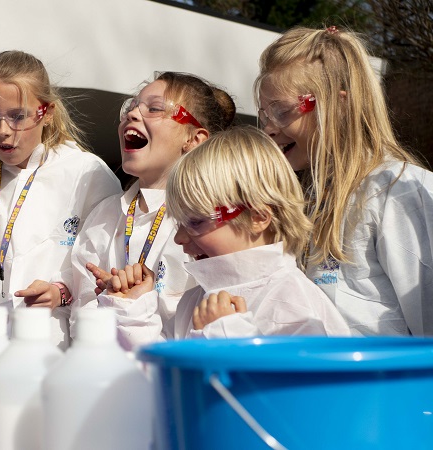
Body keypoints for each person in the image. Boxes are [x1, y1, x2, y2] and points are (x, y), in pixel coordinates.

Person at [0, 50, 121, 350]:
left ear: (47, 111)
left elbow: (110, 267)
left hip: (58, 347)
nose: (3, 131)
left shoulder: (87, 173)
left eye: (17, 116)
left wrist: (61, 291)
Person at [255, 26, 433, 336]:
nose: (268, 128)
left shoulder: (398, 190)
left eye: (282, 112)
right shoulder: (304, 196)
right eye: (264, 114)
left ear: (338, 106)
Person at [104, 126, 350, 338]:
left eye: (197, 222)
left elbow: (294, 390)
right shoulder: (197, 298)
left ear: (258, 217)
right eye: (179, 224)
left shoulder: (295, 304)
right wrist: (133, 315)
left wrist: (225, 338)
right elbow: (162, 378)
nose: (179, 239)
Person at [72, 72, 236, 350]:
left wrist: (133, 307)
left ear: (194, 139)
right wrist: (109, 302)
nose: (133, 114)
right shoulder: (105, 214)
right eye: (131, 106)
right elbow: (80, 320)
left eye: (155, 108)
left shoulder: (212, 222)